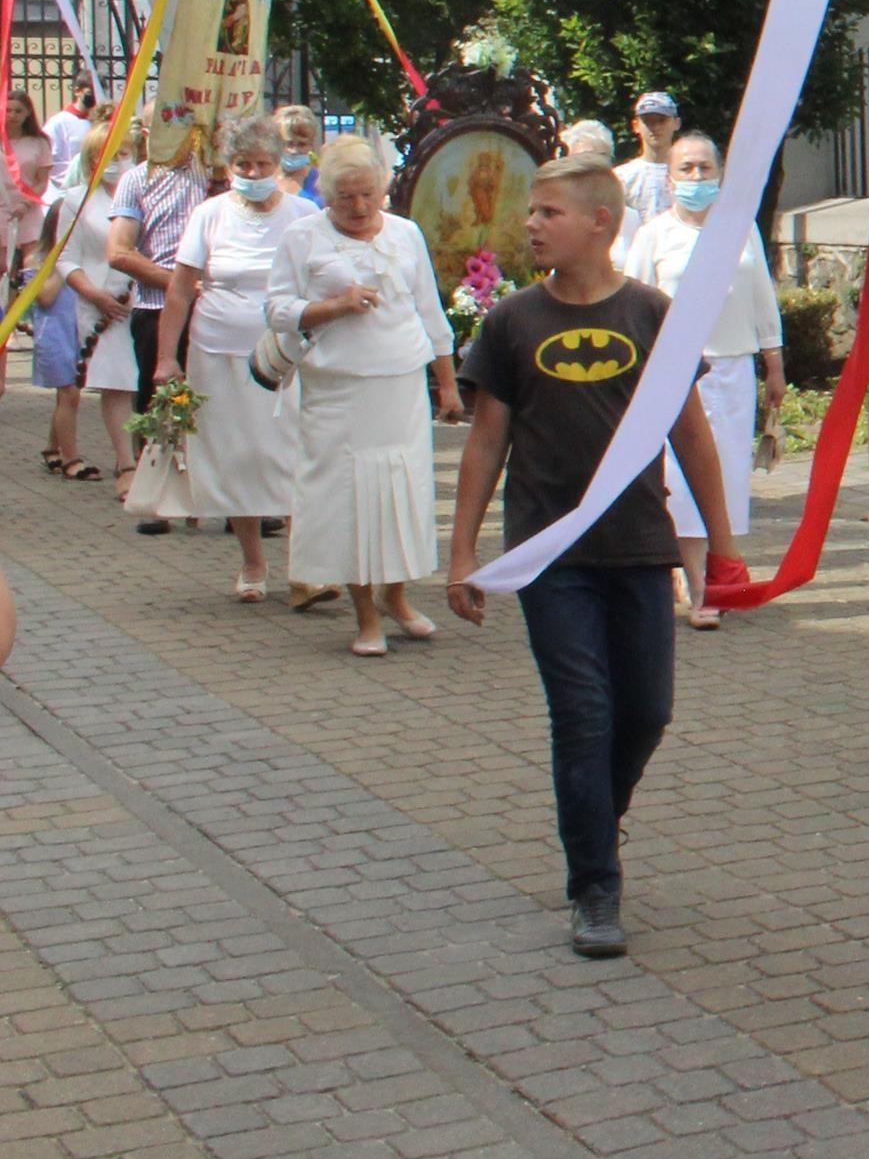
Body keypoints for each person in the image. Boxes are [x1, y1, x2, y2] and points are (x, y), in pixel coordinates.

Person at [444, 152, 744, 959]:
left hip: (640, 547)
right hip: (550, 555)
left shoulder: (653, 314)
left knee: (646, 710)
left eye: (548, 213)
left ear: (601, 224)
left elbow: (692, 436)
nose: (531, 225)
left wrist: (721, 548)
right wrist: (463, 550)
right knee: (583, 712)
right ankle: (594, 884)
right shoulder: (511, 322)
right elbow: (485, 444)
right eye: (532, 213)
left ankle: (597, 813)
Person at [267, 135, 461, 658]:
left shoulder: (406, 233)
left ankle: (397, 599)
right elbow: (278, 309)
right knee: (349, 499)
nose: (357, 207)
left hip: (399, 382)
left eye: (367, 195)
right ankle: (365, 615)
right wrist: (333, 306)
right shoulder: (301, 236)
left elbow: (430, 311)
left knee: (402, 492)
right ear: (326, 196)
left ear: (382, 191)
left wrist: (447, 382)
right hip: (338, 388)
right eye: (344, 197)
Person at [616, 130, 784, 630]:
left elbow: (762, 298)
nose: (695, 177)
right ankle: (697, 585)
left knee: (727, 478)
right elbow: (632, 305)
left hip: (733, 370)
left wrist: (773, 363)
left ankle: (718, 568)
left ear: (719, 174)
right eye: (685, 168)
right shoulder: (653, 236)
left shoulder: (741, 230)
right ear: (669, 179)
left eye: (704, 168)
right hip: (678, 377)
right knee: (684, 483)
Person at [156, 117, 309, 605]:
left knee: (289, 454)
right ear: (229, 165)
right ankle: (252, 561)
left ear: (278, 162)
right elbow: (180, 290)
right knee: (237, 454)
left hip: (283, 355)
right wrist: (166, 358)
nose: (253, 171)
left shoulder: (302, 214)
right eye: (244, 163)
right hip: (217, 349)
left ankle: (305, 566)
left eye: (263, 163)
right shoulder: (210, 214)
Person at [107, 144, 207, 532]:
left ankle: (235, 503)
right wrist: (180, 285)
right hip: (156, 307)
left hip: (217, 311)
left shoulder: (217, 173)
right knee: (160, 402)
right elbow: (118, 251)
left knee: (221, 400)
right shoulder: (137, 179)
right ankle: (158, 499)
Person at [63, 134, 139, 492]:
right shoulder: (76, 200)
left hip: (144, 298)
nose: (114, 161)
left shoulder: (144, 192)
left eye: (122, 153)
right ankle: (126, 464)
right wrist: (95, 296)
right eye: (105, 155)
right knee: (117, 381)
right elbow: (65, 259)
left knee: (146, 380)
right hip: (101, 304)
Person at [29, 155, 94, 480]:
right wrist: (59, 259)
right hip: (53, 335)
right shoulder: (39, 262)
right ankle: (71, 457)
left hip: (76, 332)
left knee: (70, 394)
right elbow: (46, 296)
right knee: (68, 393)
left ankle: (52, 448)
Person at [615, 93, 679, 243]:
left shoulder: (688, 173)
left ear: (676, 123)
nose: (655, 127)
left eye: (662, 121)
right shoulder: (621, 177)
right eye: (648, 122)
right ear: (636, 126)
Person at [4, 91, 49, 292]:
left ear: (28, 113)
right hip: (2, 209)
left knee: (31, 270)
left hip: (28, 210)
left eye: (18, 111)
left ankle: (29, 317)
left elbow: (42, 182)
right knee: (4, 270)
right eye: (8, 110)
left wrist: (26, 203)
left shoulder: (40, 142)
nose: (12, 115)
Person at [274, 105, 328, 207]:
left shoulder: (323, 182)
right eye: (288, 144)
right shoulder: (265, 180)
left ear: (311, 145)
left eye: (302, 144)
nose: (294, 151)